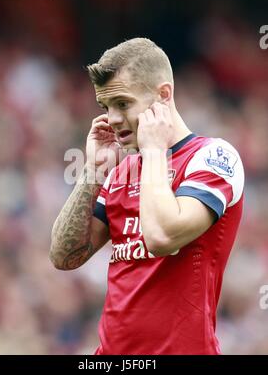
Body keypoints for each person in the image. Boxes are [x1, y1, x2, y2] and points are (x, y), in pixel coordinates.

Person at [49, 38, 244, 354]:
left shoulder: (213, 157)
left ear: (163, 96)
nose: (112, 119)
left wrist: (153, 151)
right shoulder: (122, 170)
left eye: (123, 104)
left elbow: (161, 237)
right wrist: (93, 171)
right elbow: (63, 256)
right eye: (106, 107)